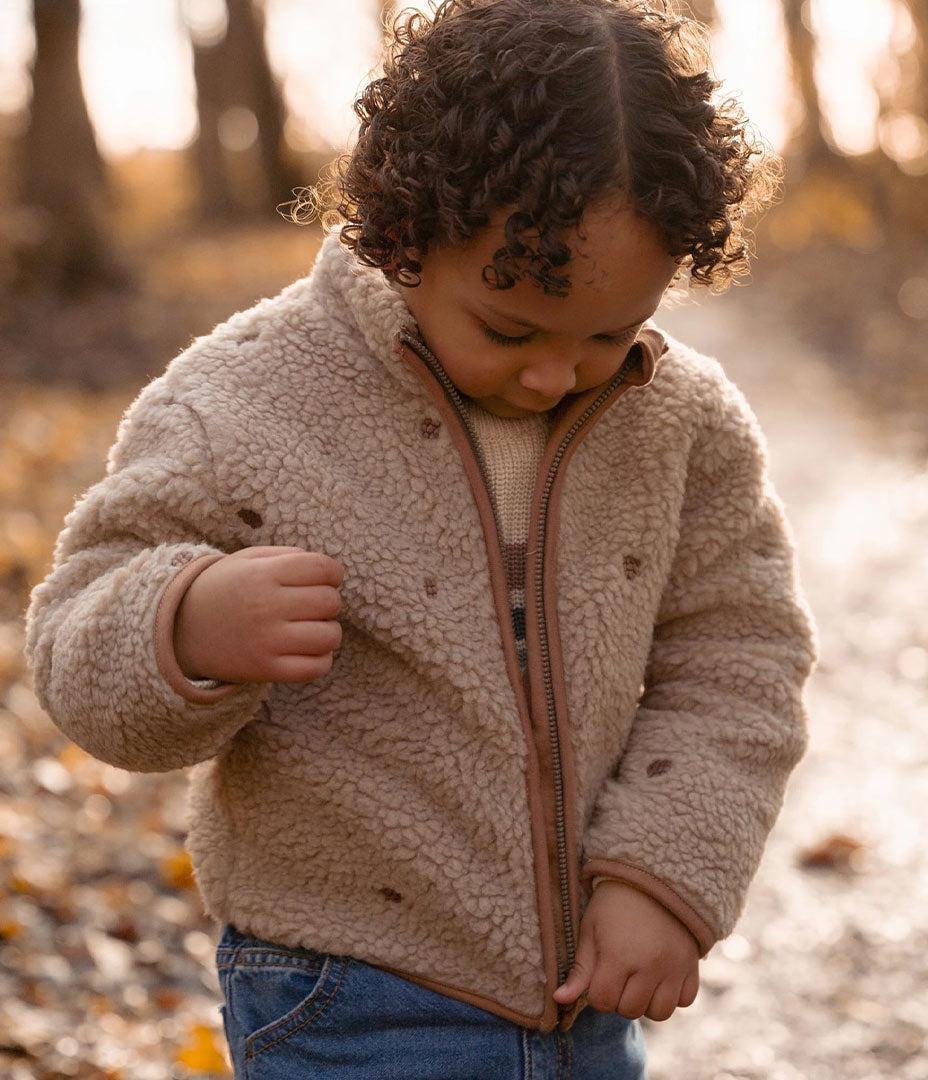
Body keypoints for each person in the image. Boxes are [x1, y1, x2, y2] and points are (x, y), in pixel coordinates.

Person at [22, 0, 819, 1076]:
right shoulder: (240, 405)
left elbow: (741, 656)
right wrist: (185, 622)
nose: (552, 375)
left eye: (608, 335)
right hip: (345, 994)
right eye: (509, 329)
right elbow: (74, 638)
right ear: (400, 234)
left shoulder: (685, 424)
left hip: (593, 995)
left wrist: (662, 873)